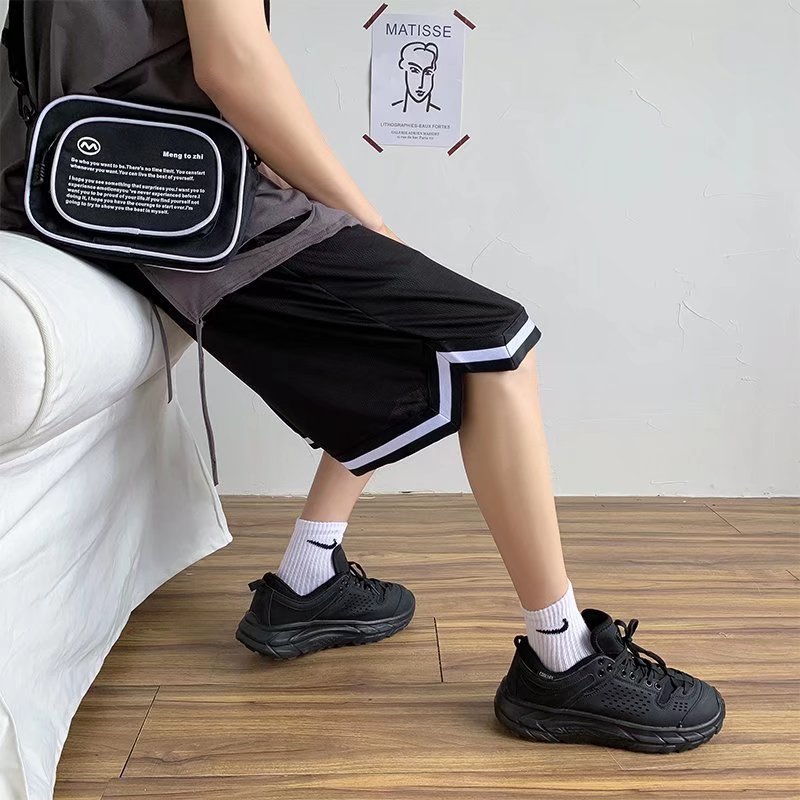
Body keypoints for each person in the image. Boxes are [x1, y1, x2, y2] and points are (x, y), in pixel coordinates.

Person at [0, 0, 724, 752]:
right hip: (184, 199)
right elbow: (231, 64)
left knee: (405, 341)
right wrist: (359, 214)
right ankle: (561, 659)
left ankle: (308, 578)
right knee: (493, 343)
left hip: (62, 189)